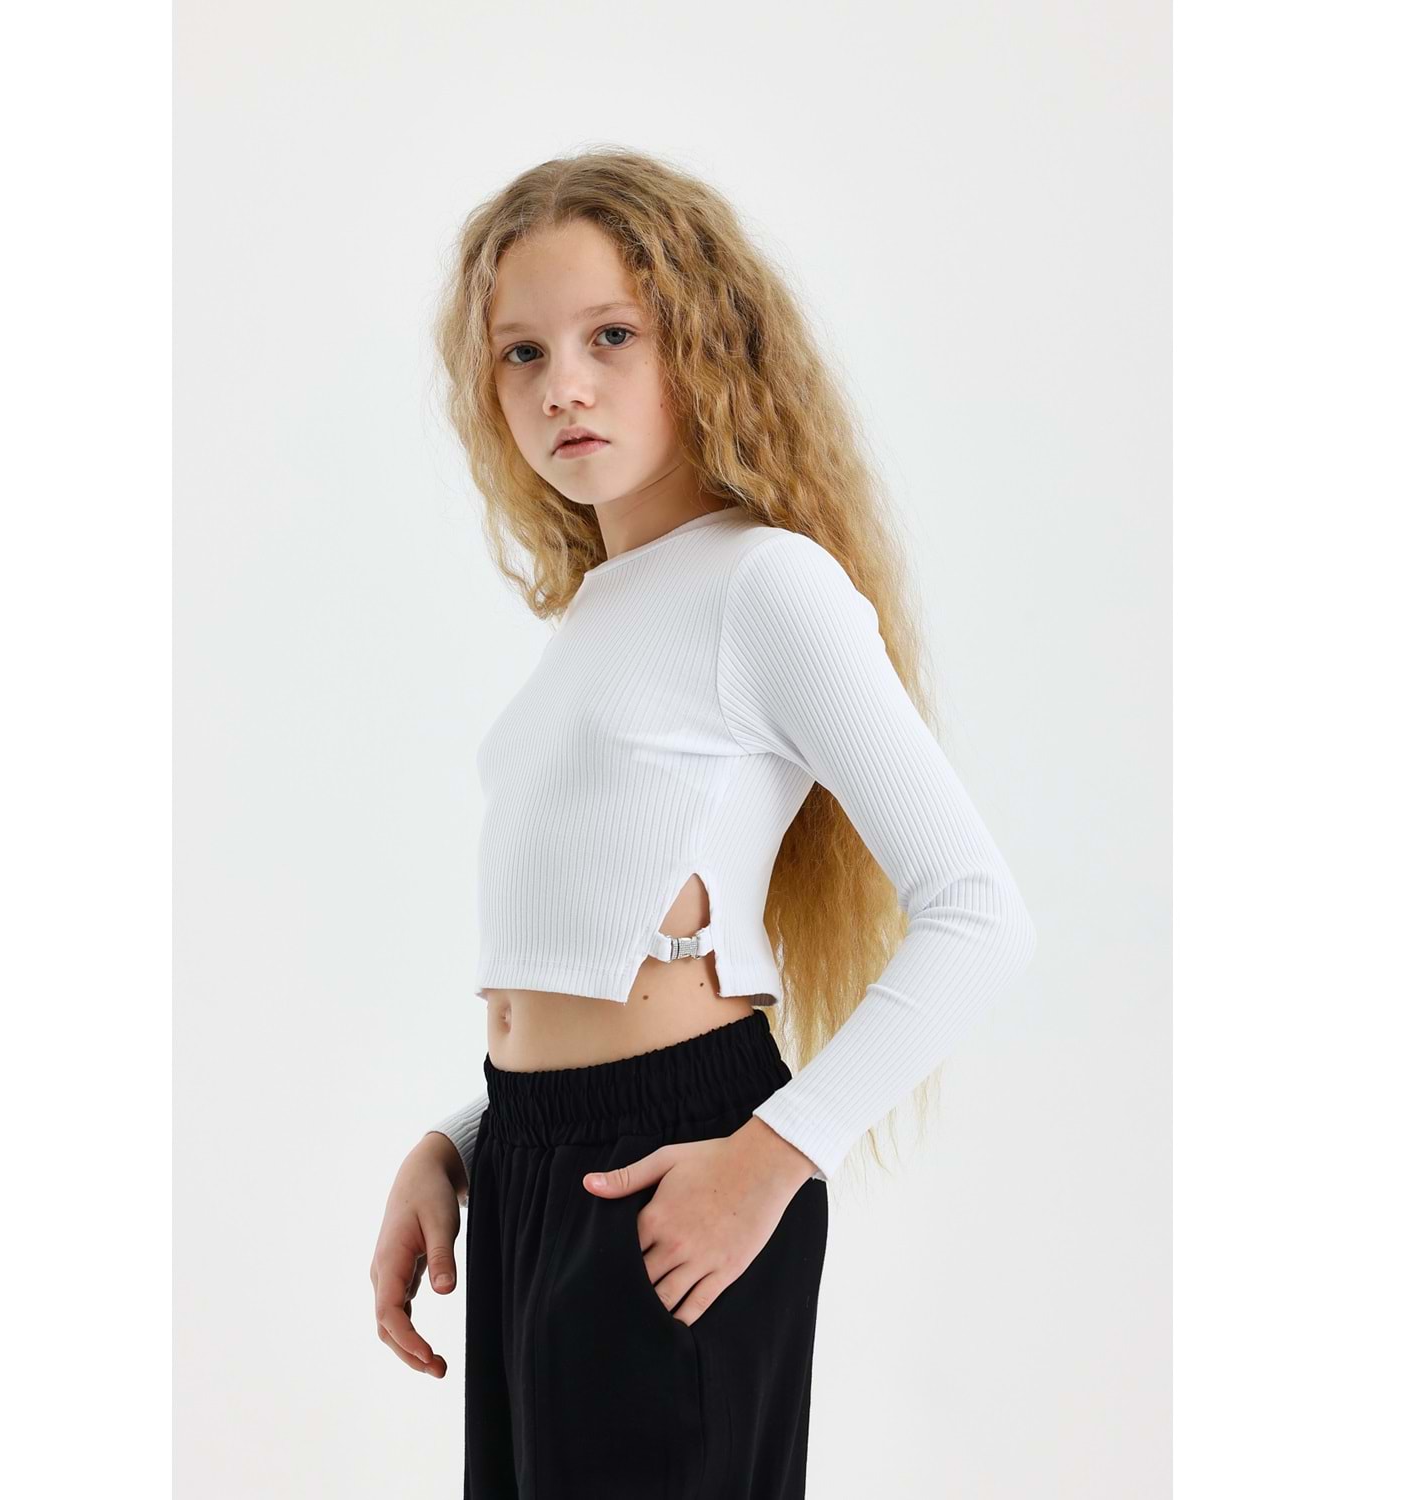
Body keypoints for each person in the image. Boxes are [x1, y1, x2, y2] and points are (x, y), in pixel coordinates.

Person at [368, 148, 1038, 1498]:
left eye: (611, 336)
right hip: (536, 1163)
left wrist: (775, 1159)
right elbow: (589, 952)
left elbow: (979, 913)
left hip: (676, 1169)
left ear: (707, 340)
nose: (562, 385)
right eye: (522, 353)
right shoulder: (599, 611)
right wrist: (461, 1144)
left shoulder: (764, 586)